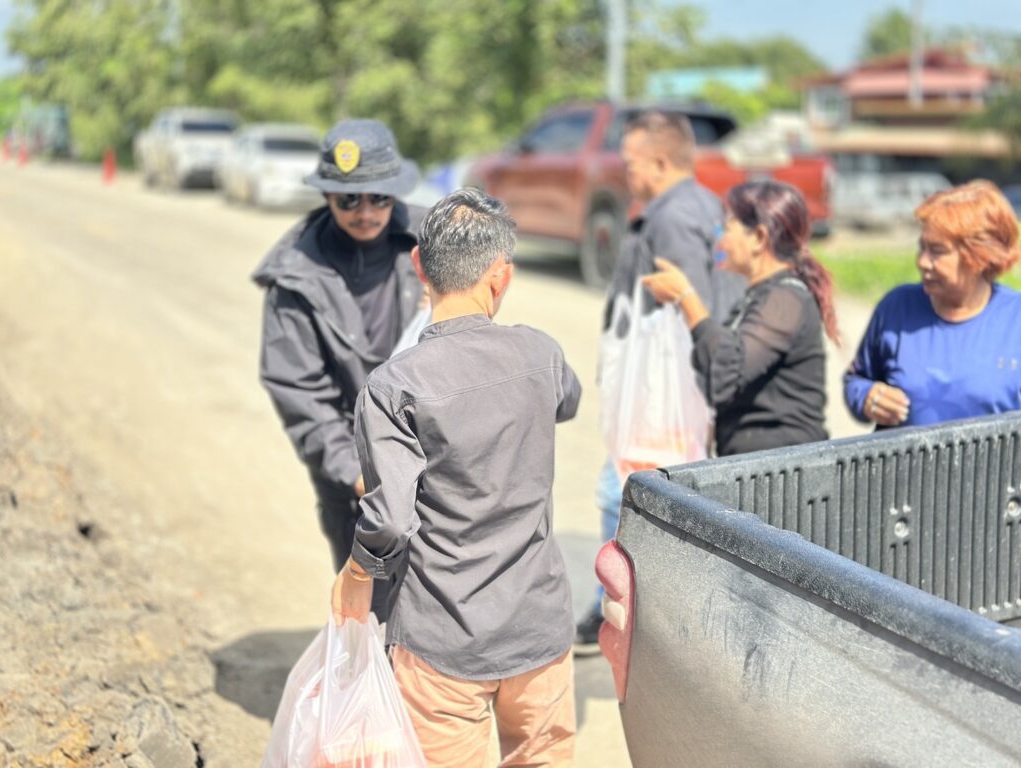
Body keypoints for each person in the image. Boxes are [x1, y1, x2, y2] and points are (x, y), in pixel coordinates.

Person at [331, 189, 582, 768]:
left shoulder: (394, 386)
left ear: (419, 266)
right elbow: (565, 401)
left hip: (443, 639)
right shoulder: (540, 352)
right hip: (539, 629)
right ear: (502, 276)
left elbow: (391, 518)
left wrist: (356, 573)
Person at [575, 110, 745, 650]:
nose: (625, 172)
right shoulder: (701, 205)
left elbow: (691, 311)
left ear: (660, 161)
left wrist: (685, 393)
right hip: (670, 390)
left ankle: (620, 608)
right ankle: (628, 607)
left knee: (620, 492)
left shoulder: (673, 218)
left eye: (631, 162)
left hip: (663, 394)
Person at [252, 118, 423, 620]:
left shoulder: (432, 243)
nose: (365, 212)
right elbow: (299, 390)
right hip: (352, 476)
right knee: (369, 609)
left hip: (428, 458)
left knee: (437, 615)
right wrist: (355, 472)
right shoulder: (294, 276)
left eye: (378, 197)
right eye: (349, 200)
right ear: (327, 196)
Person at [643, 179, 839, 456]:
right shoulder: (758, 297)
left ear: (759, 237)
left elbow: (726, 371)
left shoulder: (786, 300)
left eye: (727, 228)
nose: (720, 241)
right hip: (756, 466)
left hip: (787, 470)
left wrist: (686, 297)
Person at [844, 180, 1021, 427]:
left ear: (980, 256)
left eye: (937, 251)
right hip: (903, 455)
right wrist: (867, 397)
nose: (922, 262)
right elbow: (856, 380)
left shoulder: (1014, 320)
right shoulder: (897, 308)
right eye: (922, 248)